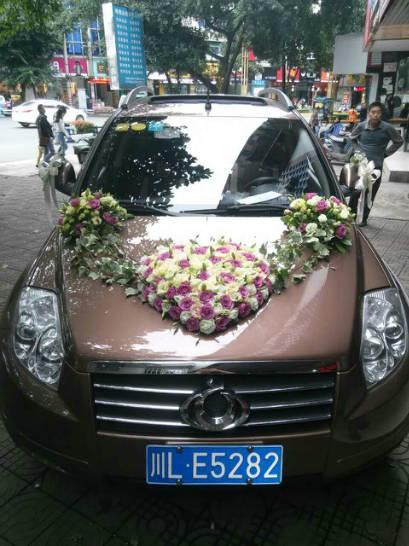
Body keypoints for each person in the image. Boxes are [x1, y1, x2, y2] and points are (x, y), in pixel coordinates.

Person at [348, 101, 403, 227]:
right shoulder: (361, 126)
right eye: (373, 112)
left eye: (378, 112)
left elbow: (399, 141)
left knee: (370, 194)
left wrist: (385, 154)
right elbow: (352, 138)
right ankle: (351, 217)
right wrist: (358, 150)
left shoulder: (387, 128)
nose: (375, 115)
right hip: (360, 165)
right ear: (369, 113)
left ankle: (364, 219)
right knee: (355, 192)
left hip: (376, 167)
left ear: (381, 114)